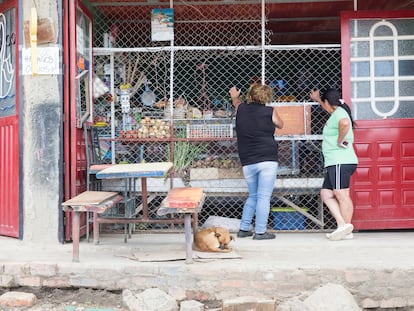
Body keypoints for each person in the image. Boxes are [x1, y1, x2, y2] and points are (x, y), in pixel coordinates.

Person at [229, 84, 284, 240]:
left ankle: (244, 229)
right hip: (267, 158)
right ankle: (260, 231)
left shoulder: (241, 109)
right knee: (263, 197)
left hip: (247, 160)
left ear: (250, 96)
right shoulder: (270, 111)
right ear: (266, 98)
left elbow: (236, 103)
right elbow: (281, 124)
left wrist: (234, 96)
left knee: (253, 196)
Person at [310, 88, 358, 241]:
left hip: (340, 160)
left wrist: (339, 139)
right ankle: (343, 225)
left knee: (341, 194)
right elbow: (331, 110)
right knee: (326, 193)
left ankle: (346, 228)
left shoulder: (340, 115)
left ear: (327, 102)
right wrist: (318, 100)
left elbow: (344, 123)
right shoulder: (337, 111)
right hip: (335, 162)